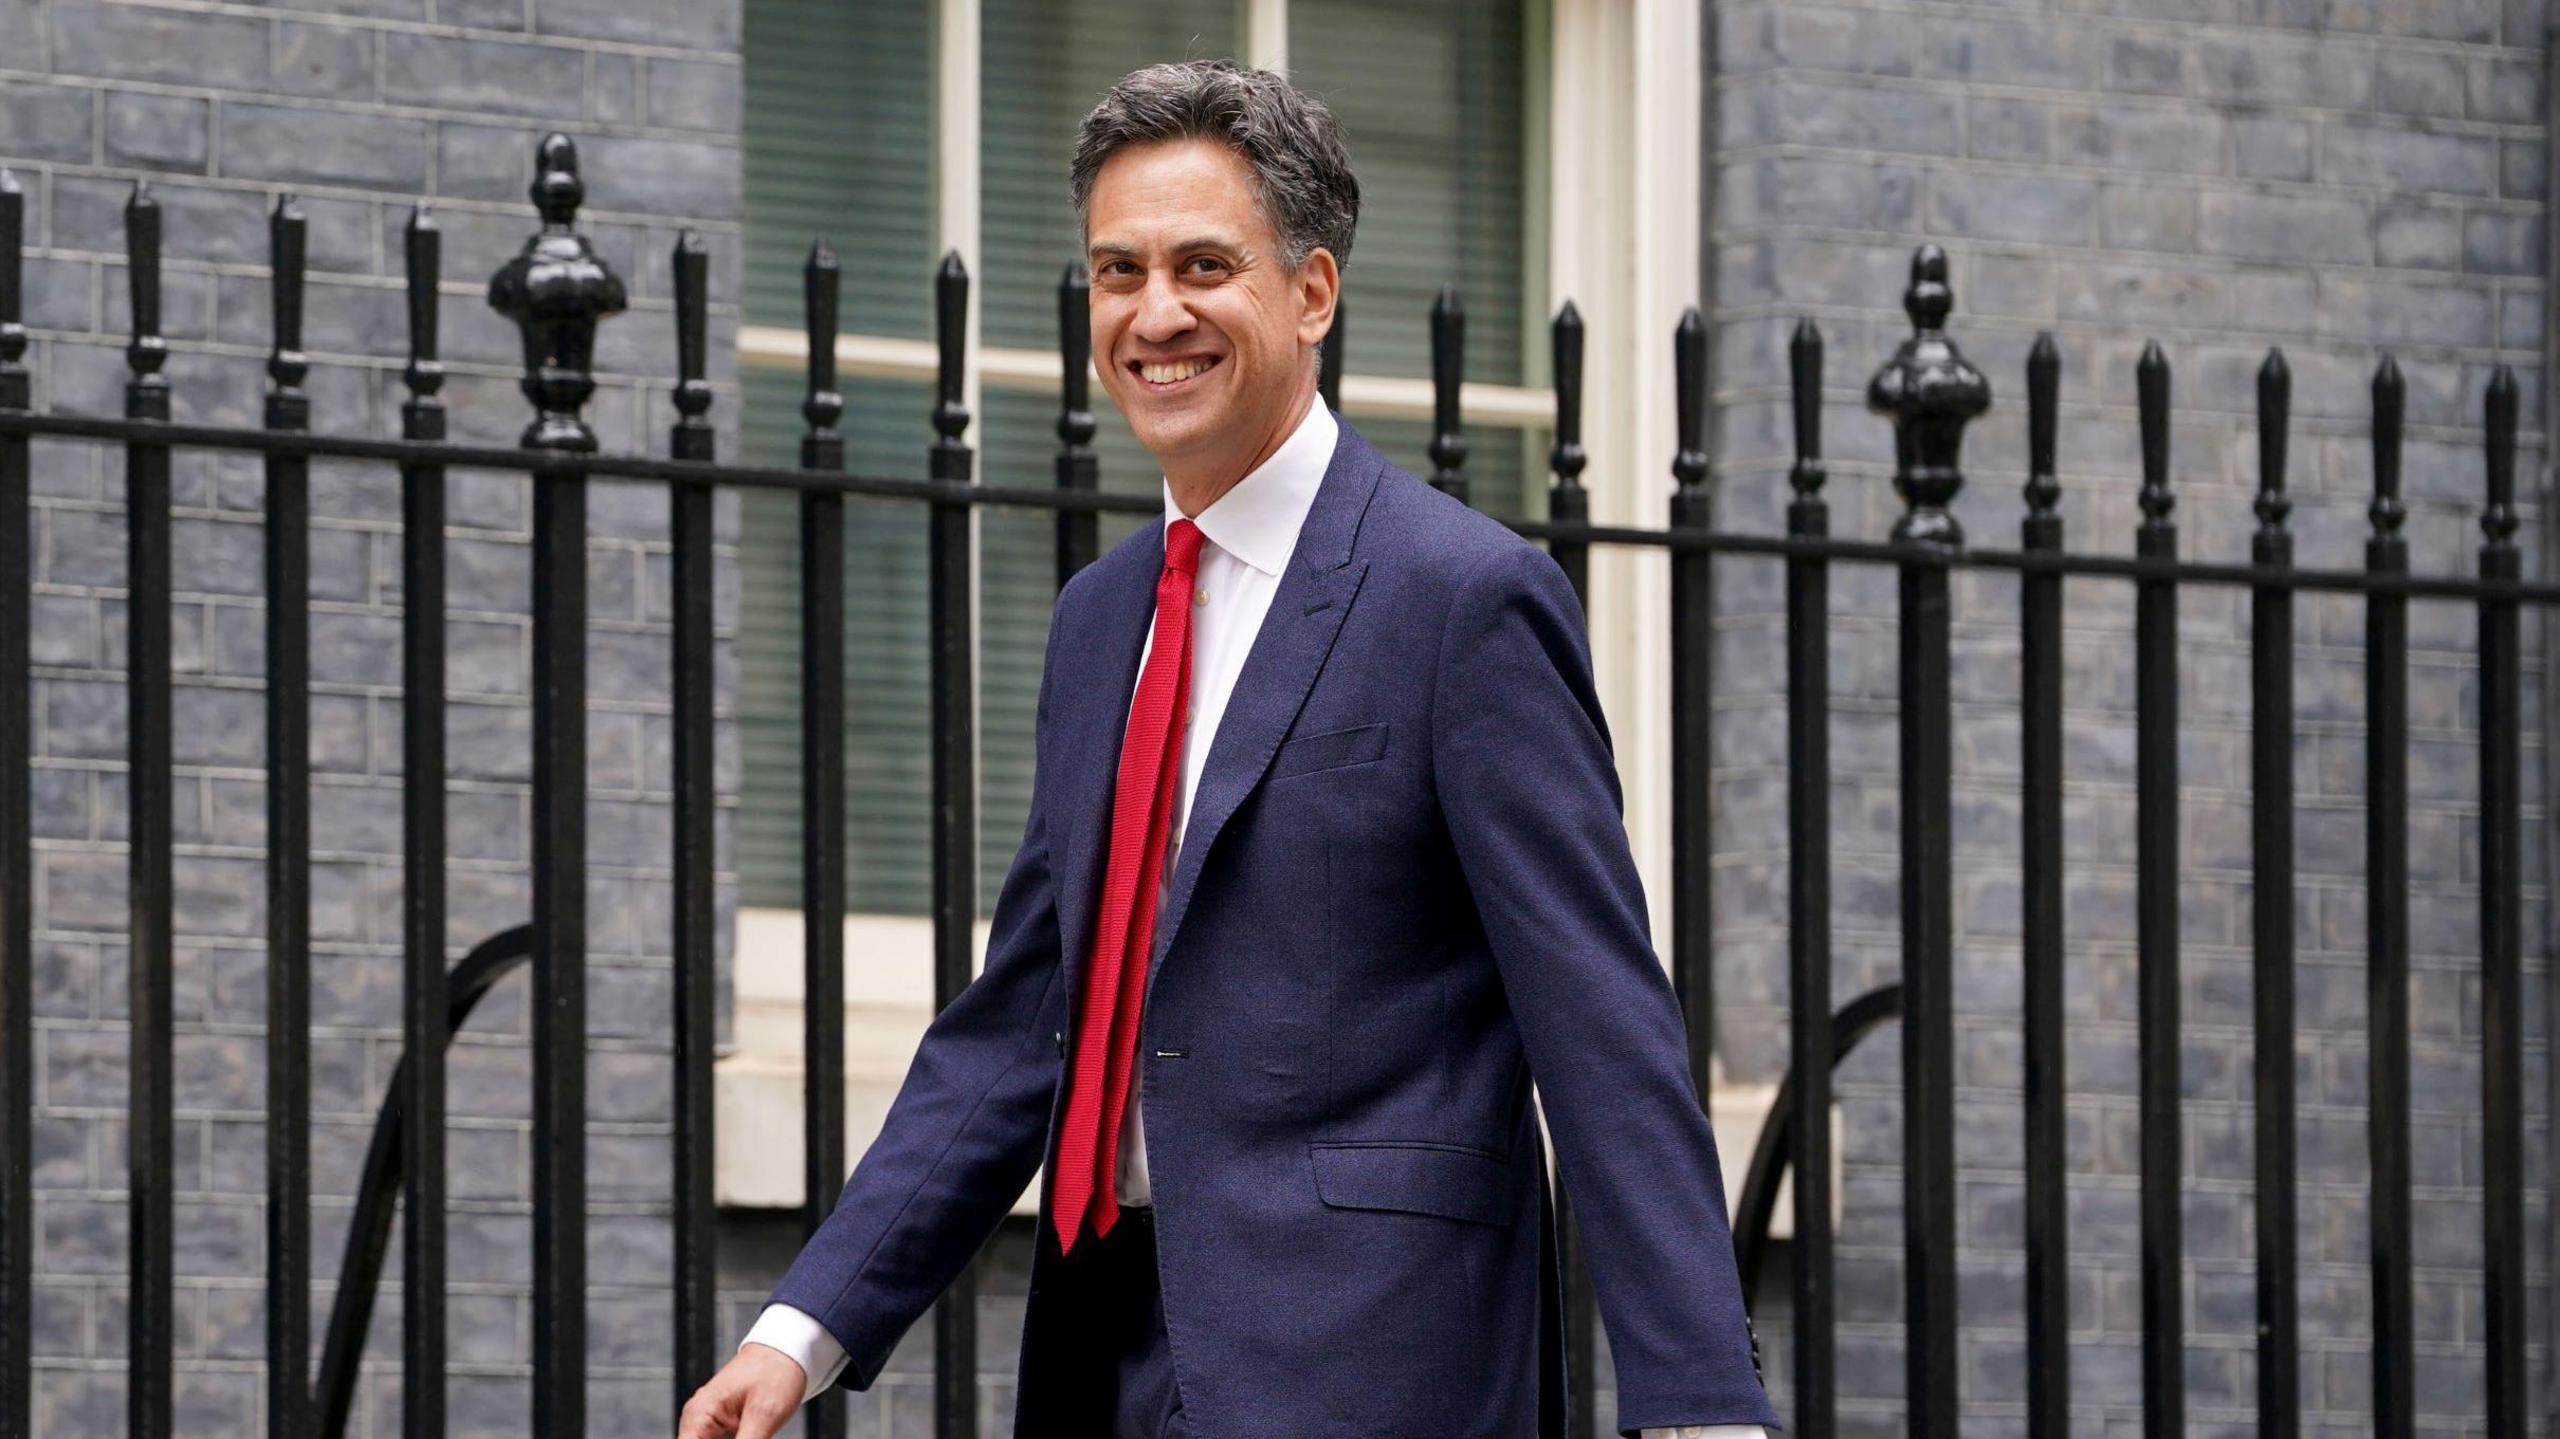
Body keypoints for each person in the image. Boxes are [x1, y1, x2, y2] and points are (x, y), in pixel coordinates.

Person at [678, 59, 1778, 1439]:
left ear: (1311, 292)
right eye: (1117, 271)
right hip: (1106, 1359)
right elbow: (1029, 1016)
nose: (1155, 314)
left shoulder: (1463, 600)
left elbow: (1603, 1027)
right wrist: (806, 1326)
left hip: (1376, 1368)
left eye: (1205, 264)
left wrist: (1699, 1407)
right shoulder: (1098, 622)